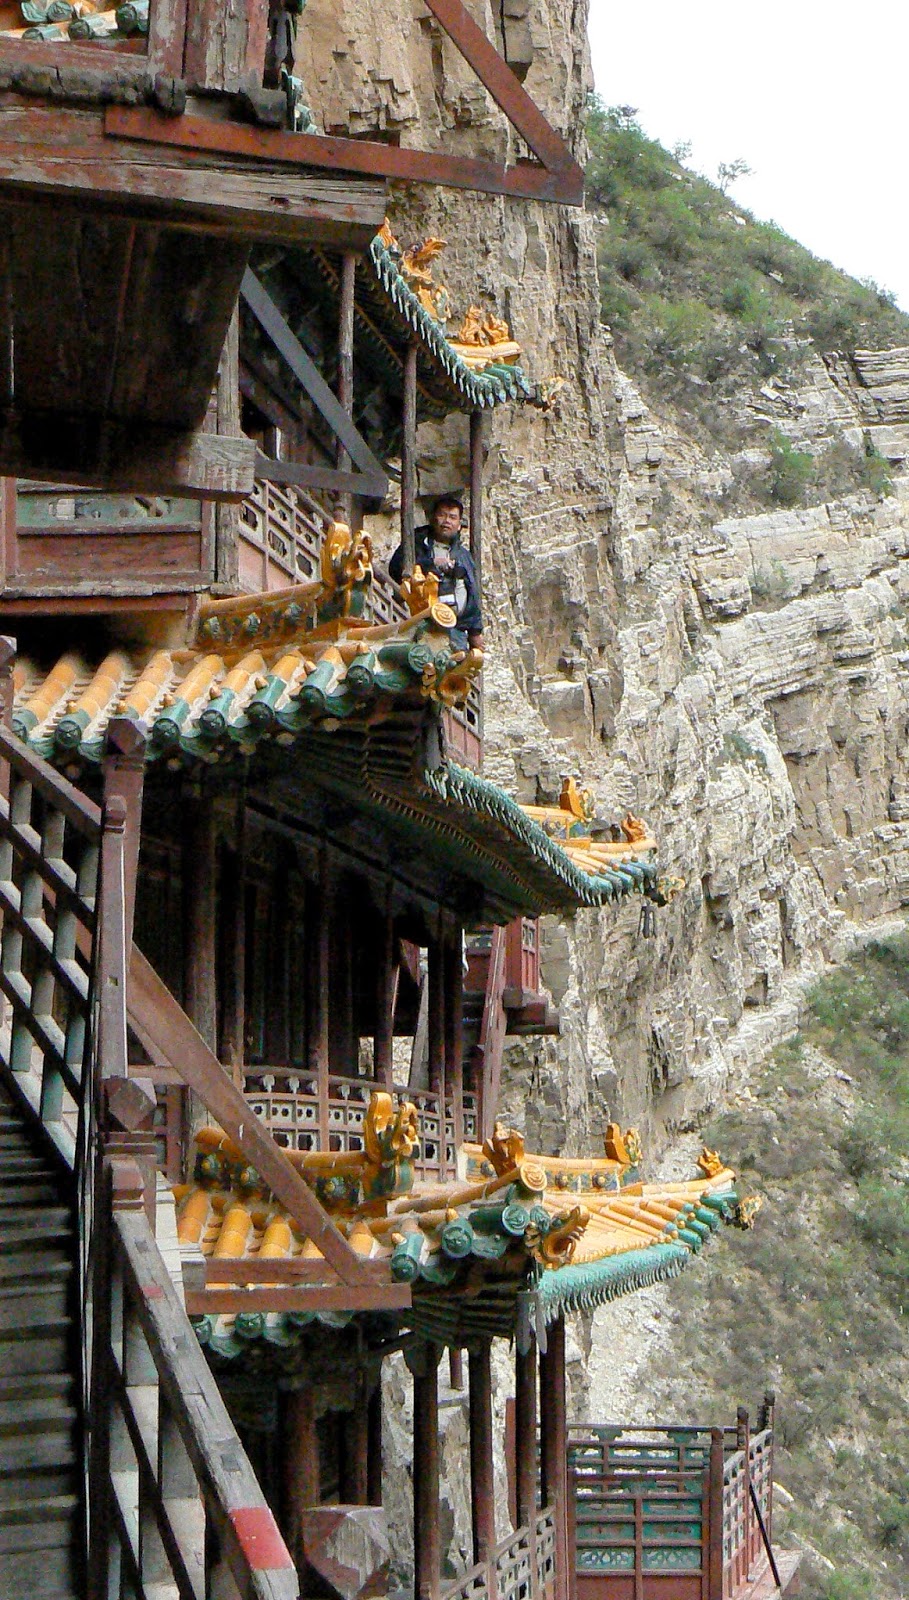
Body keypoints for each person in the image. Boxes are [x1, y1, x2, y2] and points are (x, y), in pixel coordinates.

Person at [388, 495, 484, 653]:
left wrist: (475, 632)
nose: (446, 521)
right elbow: (396, 568)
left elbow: (473, 594)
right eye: (442, 515)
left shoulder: (463, 555)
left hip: (456, 629)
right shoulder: (417, 544)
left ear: (459, 525)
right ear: (433, 518)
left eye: (452, 517)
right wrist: (431, 564)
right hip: (420, 621)